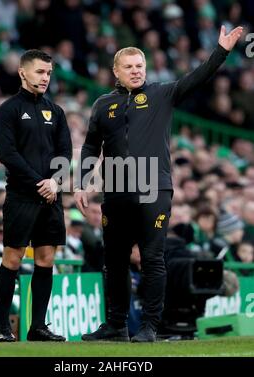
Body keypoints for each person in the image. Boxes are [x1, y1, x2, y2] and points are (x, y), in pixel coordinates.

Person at [75, 25, 243, 342]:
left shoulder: (162, 93)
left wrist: (220, 51)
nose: (136, 71)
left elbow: (199, 77)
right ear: (116, 71)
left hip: (154, 188)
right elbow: (89, 147)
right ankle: (116, 326)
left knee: (152, 257)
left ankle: (150, 326)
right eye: (130, 67)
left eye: (140, 66)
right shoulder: (102, 105)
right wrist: (82, 183)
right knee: (114, 260)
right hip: (115, 192)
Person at [0, 49, 72, 342]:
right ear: (22, 72)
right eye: (40, 72)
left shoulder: (57, 111)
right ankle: (3, 328)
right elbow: (7, 154)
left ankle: (37, 326)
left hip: (51, 196)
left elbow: (65, 153)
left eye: (49, 73)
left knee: (46, 259)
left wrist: (55, 182)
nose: (45, 78)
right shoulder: (9, 110)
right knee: (12, 258)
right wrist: (41, 181)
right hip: (21, 196)